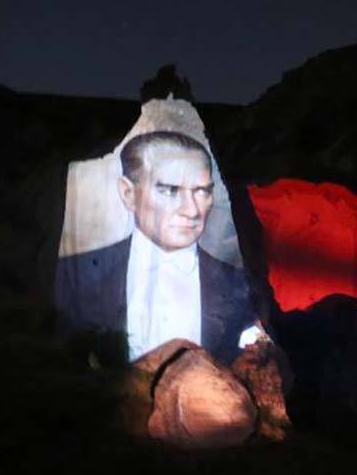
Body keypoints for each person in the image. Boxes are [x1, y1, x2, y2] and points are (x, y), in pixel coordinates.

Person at [55, 130, 257, 365]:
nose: (191, 210)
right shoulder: (77, 277)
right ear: (128, 193)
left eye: (202, 192)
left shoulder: (241, 286)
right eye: (170, 190)